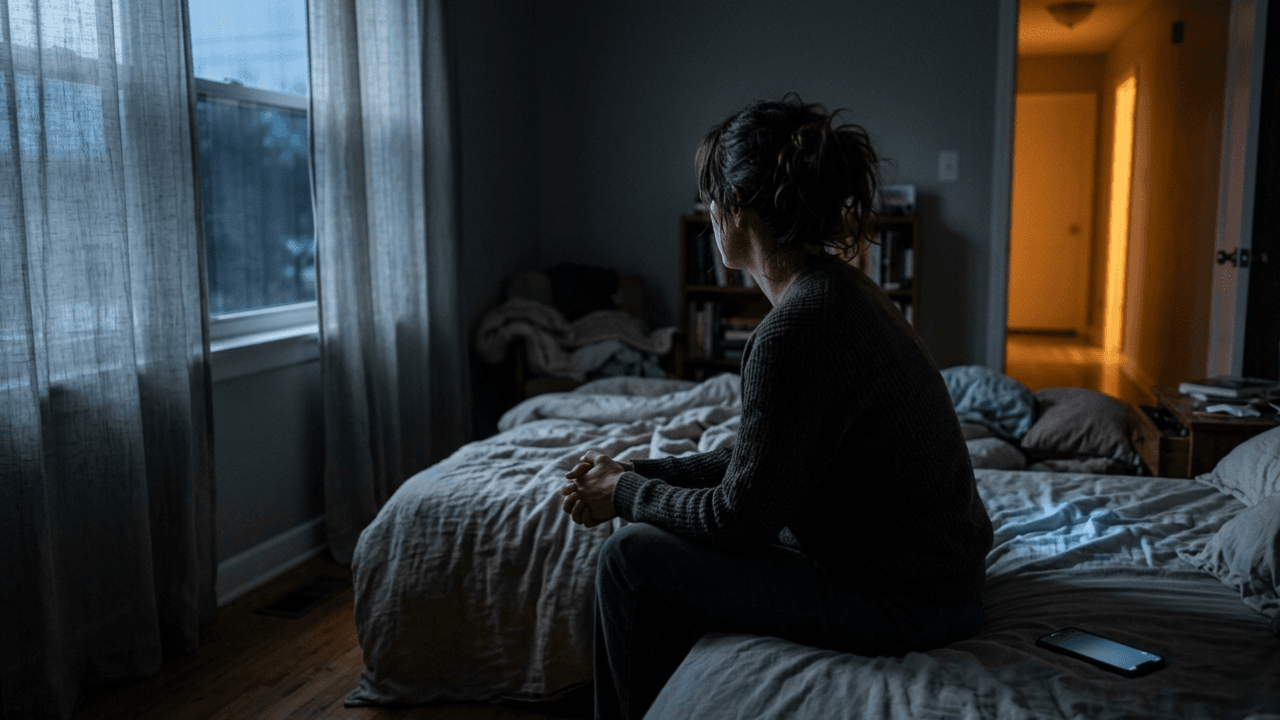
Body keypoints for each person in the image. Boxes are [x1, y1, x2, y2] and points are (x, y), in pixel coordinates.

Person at [559, 94, 994, 720]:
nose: (707, 213)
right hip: (935, 581)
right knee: (653, 540)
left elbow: (740, 519)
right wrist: (637, 473)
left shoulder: (794, 330)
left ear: (737, 210)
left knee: (631, 560)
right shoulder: (841, 290)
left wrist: (625, 495)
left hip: (907, 603)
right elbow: (765, 458)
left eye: (711, 198)